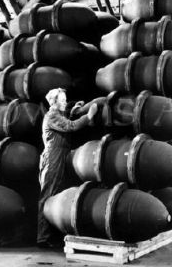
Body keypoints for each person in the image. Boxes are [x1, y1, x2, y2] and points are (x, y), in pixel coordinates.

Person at [37, 88, 98, 248]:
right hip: (53, 158)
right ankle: (43, 238)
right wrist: (88, 116)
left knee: (57, 196)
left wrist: (73, 108)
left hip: (61, 156)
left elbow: (65, 120)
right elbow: (70, 126)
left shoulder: (58, 114)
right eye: (63, 100)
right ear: (54, 103)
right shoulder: (51, 116)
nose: (65, 102)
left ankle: (52, 235)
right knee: (48, 195)